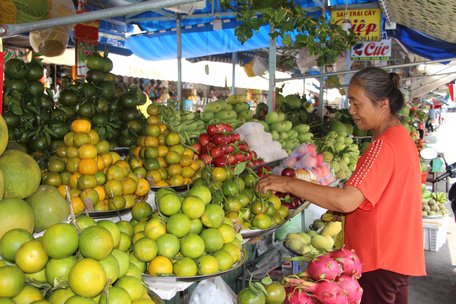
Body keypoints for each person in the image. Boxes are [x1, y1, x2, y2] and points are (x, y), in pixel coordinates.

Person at [257, 67, 426, 304]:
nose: (352, 111)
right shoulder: (401, 137)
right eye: (350, 103)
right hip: (396, 257)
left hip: (380, 259)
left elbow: (347, 200)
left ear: (382, 103)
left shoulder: (383, 146)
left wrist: (288, 183)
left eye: (357, 104)